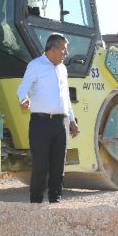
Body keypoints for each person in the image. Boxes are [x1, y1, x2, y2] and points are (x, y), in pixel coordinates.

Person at [17, 34, 80, 203]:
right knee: (41, 166)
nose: (66, 53)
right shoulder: (36, 65)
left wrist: (72, 120)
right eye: (63, 49)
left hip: (61, 123)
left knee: (58, 165)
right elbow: (23, 87)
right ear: (53, 49)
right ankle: (36, 201)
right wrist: (23, 99)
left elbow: (65, 97)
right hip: (41, 123)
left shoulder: (62, 69)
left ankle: (55, 199)